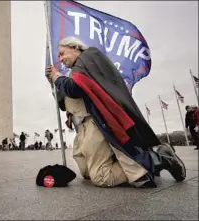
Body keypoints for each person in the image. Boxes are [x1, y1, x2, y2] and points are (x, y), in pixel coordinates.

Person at [45, 36, 186, 188]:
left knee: (100, 177)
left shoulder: (89, 58)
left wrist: (57, 76)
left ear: (75, 48)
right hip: (82, 129)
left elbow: (74, 88)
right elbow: (66, 101)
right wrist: (53, 81)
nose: (60, 59)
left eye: (62, 53)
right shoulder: (77, 70)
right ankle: (126, 161)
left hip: (95, 123)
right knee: (86, 173)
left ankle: (158, 158)